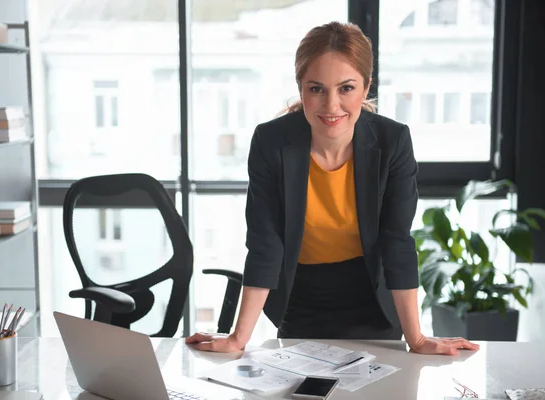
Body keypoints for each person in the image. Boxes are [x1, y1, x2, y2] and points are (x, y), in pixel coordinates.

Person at [187, 21, 479, 356]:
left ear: (366, 86)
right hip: (300, 300)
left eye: (346, 88)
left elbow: (396, 241)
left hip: (374, 300)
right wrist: (238, 338)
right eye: (316, 89)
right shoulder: (271, 142)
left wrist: (417, 339)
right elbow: (266, 244)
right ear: (301, 89)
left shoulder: (393, 141)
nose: (331, 106)